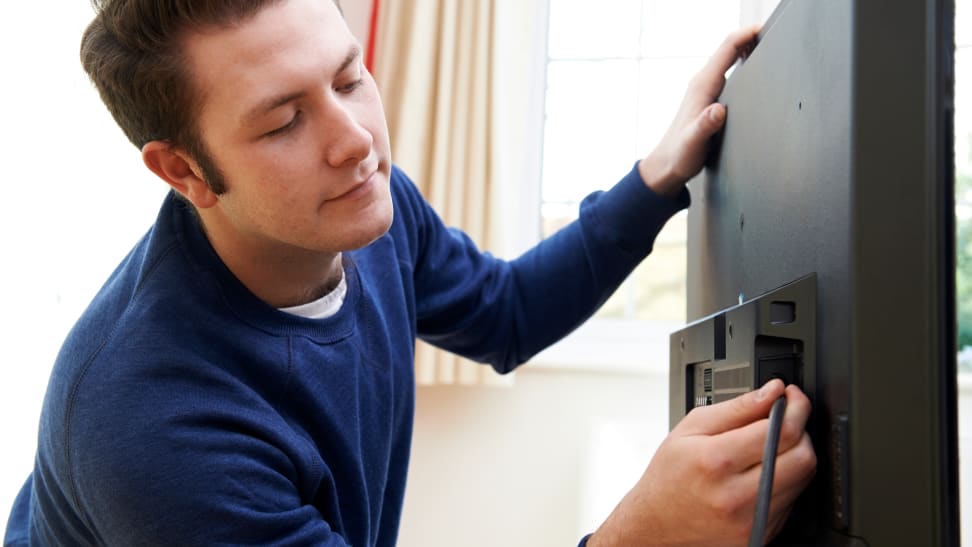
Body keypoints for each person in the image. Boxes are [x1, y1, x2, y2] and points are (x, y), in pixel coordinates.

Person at [3, 0, 816, 545]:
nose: (356, 138)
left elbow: (506, 311)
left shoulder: (362, 212)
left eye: (350, 78)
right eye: (285, 120)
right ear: (182, 170)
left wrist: (656, 180)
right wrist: (644, 532)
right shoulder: (155, 430)